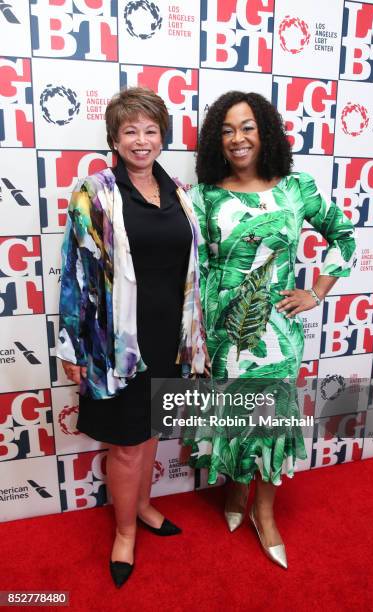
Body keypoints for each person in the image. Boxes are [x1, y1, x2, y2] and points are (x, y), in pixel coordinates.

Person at [187, 91, 356, 569]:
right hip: (224, 333)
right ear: (215, 140)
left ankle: (264, 510)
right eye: (226, 130)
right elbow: (195, 268)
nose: (237, 139)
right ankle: (237, 492)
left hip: (276, 331)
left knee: (273, 420)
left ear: (264, 132)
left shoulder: (296, 188)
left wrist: (316, 291)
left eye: (247, 127)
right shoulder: (204, 195)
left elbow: (343, 235)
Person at [57, 87, 207, 587]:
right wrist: (72, 346)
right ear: (114, 140)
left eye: (150, 130)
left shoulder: (180, 194)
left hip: (171, 338)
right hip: (115, 343)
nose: (141, 141)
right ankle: (124, 531)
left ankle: (142, 505)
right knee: (125, 444)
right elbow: (75, 273)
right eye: (130, 131)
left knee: (148, 434)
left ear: (162, 137)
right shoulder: (94, 192)